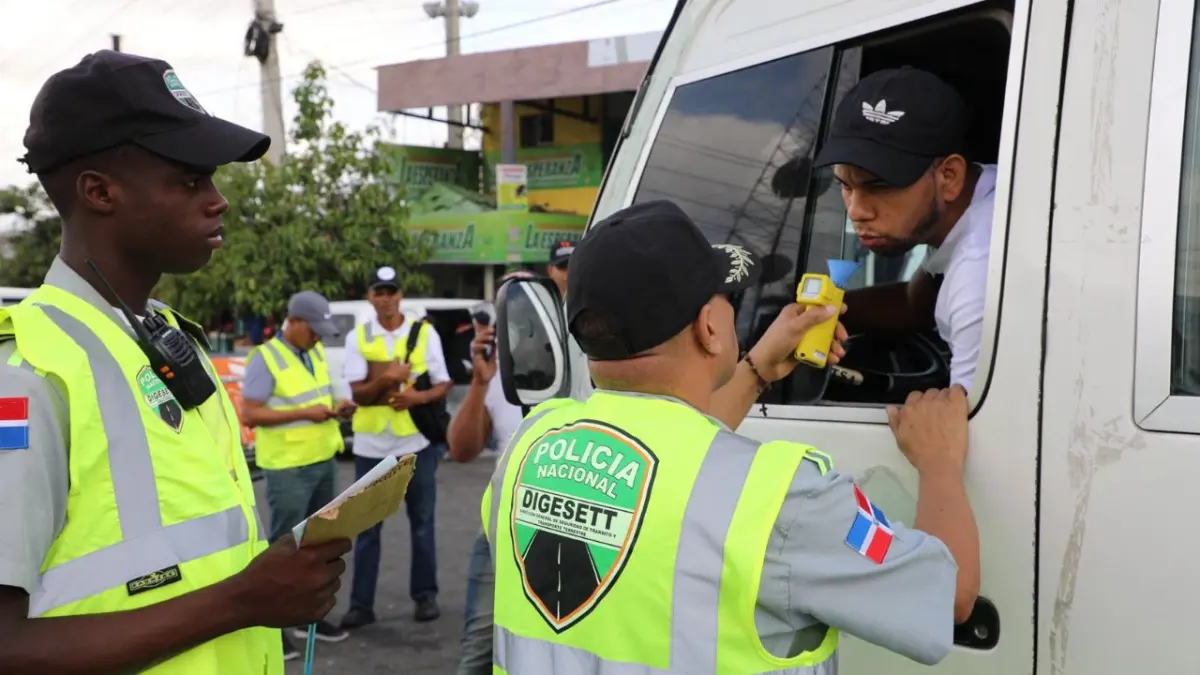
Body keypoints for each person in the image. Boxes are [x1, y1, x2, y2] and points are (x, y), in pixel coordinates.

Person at [483, 200, 980, 672]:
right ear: (709, 327)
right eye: (727, 299)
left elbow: (670, 469)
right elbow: (949, 596)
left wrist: (758, 368)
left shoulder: (531, 446)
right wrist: (938, 463)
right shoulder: (780, 500)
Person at [0, 50, 351, 674]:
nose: (217, 201)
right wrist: (243, 600)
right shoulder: (28, 376)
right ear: (99, 192)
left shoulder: (163, 335)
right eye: (190, 182)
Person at [813, 66, 997, 392]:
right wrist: (821, 312)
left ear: (949, 176)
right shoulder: (988, 193)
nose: (856, 211)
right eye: (845, 185)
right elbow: (917, 304)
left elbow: (971, 437)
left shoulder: (981, 273)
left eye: (880, 186)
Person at [240, 290, 356, 658]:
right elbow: (250, 414)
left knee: (319, 544)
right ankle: (273, 630)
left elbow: (319, 397)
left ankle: (312, 618)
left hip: (323, 461)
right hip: (288, 468)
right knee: (284, 548)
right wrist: (306, 414)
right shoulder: (265, 358)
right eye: (314, 329)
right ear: (294, 322)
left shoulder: (314, 351)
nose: (319, 336)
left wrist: (340, 408)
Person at [340, 265, 452, 629]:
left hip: (415, 444)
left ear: (400, 295)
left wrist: (417, 397)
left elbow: (443, 383)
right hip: (371, 445)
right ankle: (361, 605)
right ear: (370, 296)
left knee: (422, 523)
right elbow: (357, 392)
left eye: (391, 291)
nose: (385, 297)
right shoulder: (358, 337)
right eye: (378, 291)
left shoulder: (425, 334)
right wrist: (387, 378)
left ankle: (425, 596)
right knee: (367, 528)